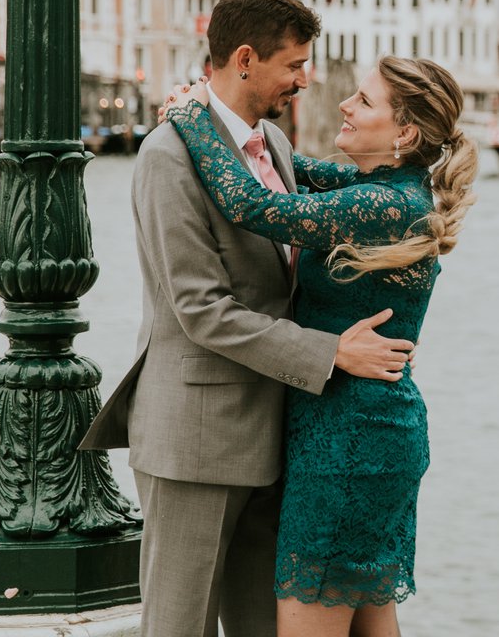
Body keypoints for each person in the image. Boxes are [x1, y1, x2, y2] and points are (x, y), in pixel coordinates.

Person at [81, 0, 416, 637]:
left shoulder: (279, 148)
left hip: (278, 437)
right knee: (180, 628)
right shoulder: (167, 156)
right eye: (294, 65)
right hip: (195, 439)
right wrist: (332, 352)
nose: (306, 81)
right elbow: (202, 309)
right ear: (244, 60)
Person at [160, 54, 476, 636]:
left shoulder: (381, 205)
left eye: (364, 101)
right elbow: (287, 169)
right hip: (363, 432)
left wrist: (190, 116)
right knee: (370, 625)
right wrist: (232, 126)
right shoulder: (382, 189)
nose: (345, 105)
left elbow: (254, 206)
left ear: (404, 132)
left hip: (349, 445)